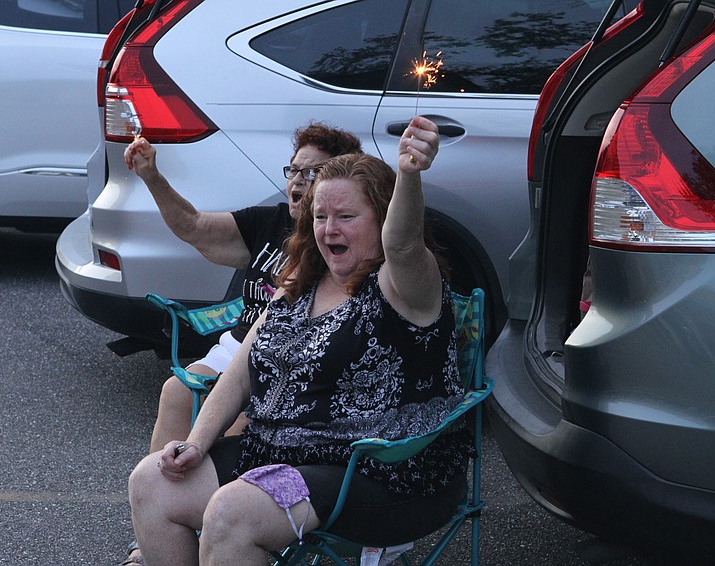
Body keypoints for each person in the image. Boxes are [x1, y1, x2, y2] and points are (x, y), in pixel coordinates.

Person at [127, 116, 474, 565]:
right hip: (280, 452)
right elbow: (240, 373)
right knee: (152, 482)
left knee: (234, 512)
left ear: (382, 217)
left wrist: (409, 174)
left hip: (378, 471)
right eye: (321, 217)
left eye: (347, 217)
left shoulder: (405, 287)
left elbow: (404, 245)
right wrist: (196, 441)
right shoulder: (300, 282)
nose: (330, 230)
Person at [121, 123, 362, 565]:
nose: (298, 181)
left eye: (312, 173)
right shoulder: (269, 222)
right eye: (294, 170)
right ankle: (161, 528)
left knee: (240, 421)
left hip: (283, 359)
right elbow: (194, 227)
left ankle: (220, 527)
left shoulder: (336, 249)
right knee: (176, 391)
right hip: (241, 344)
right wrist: (152, 176)